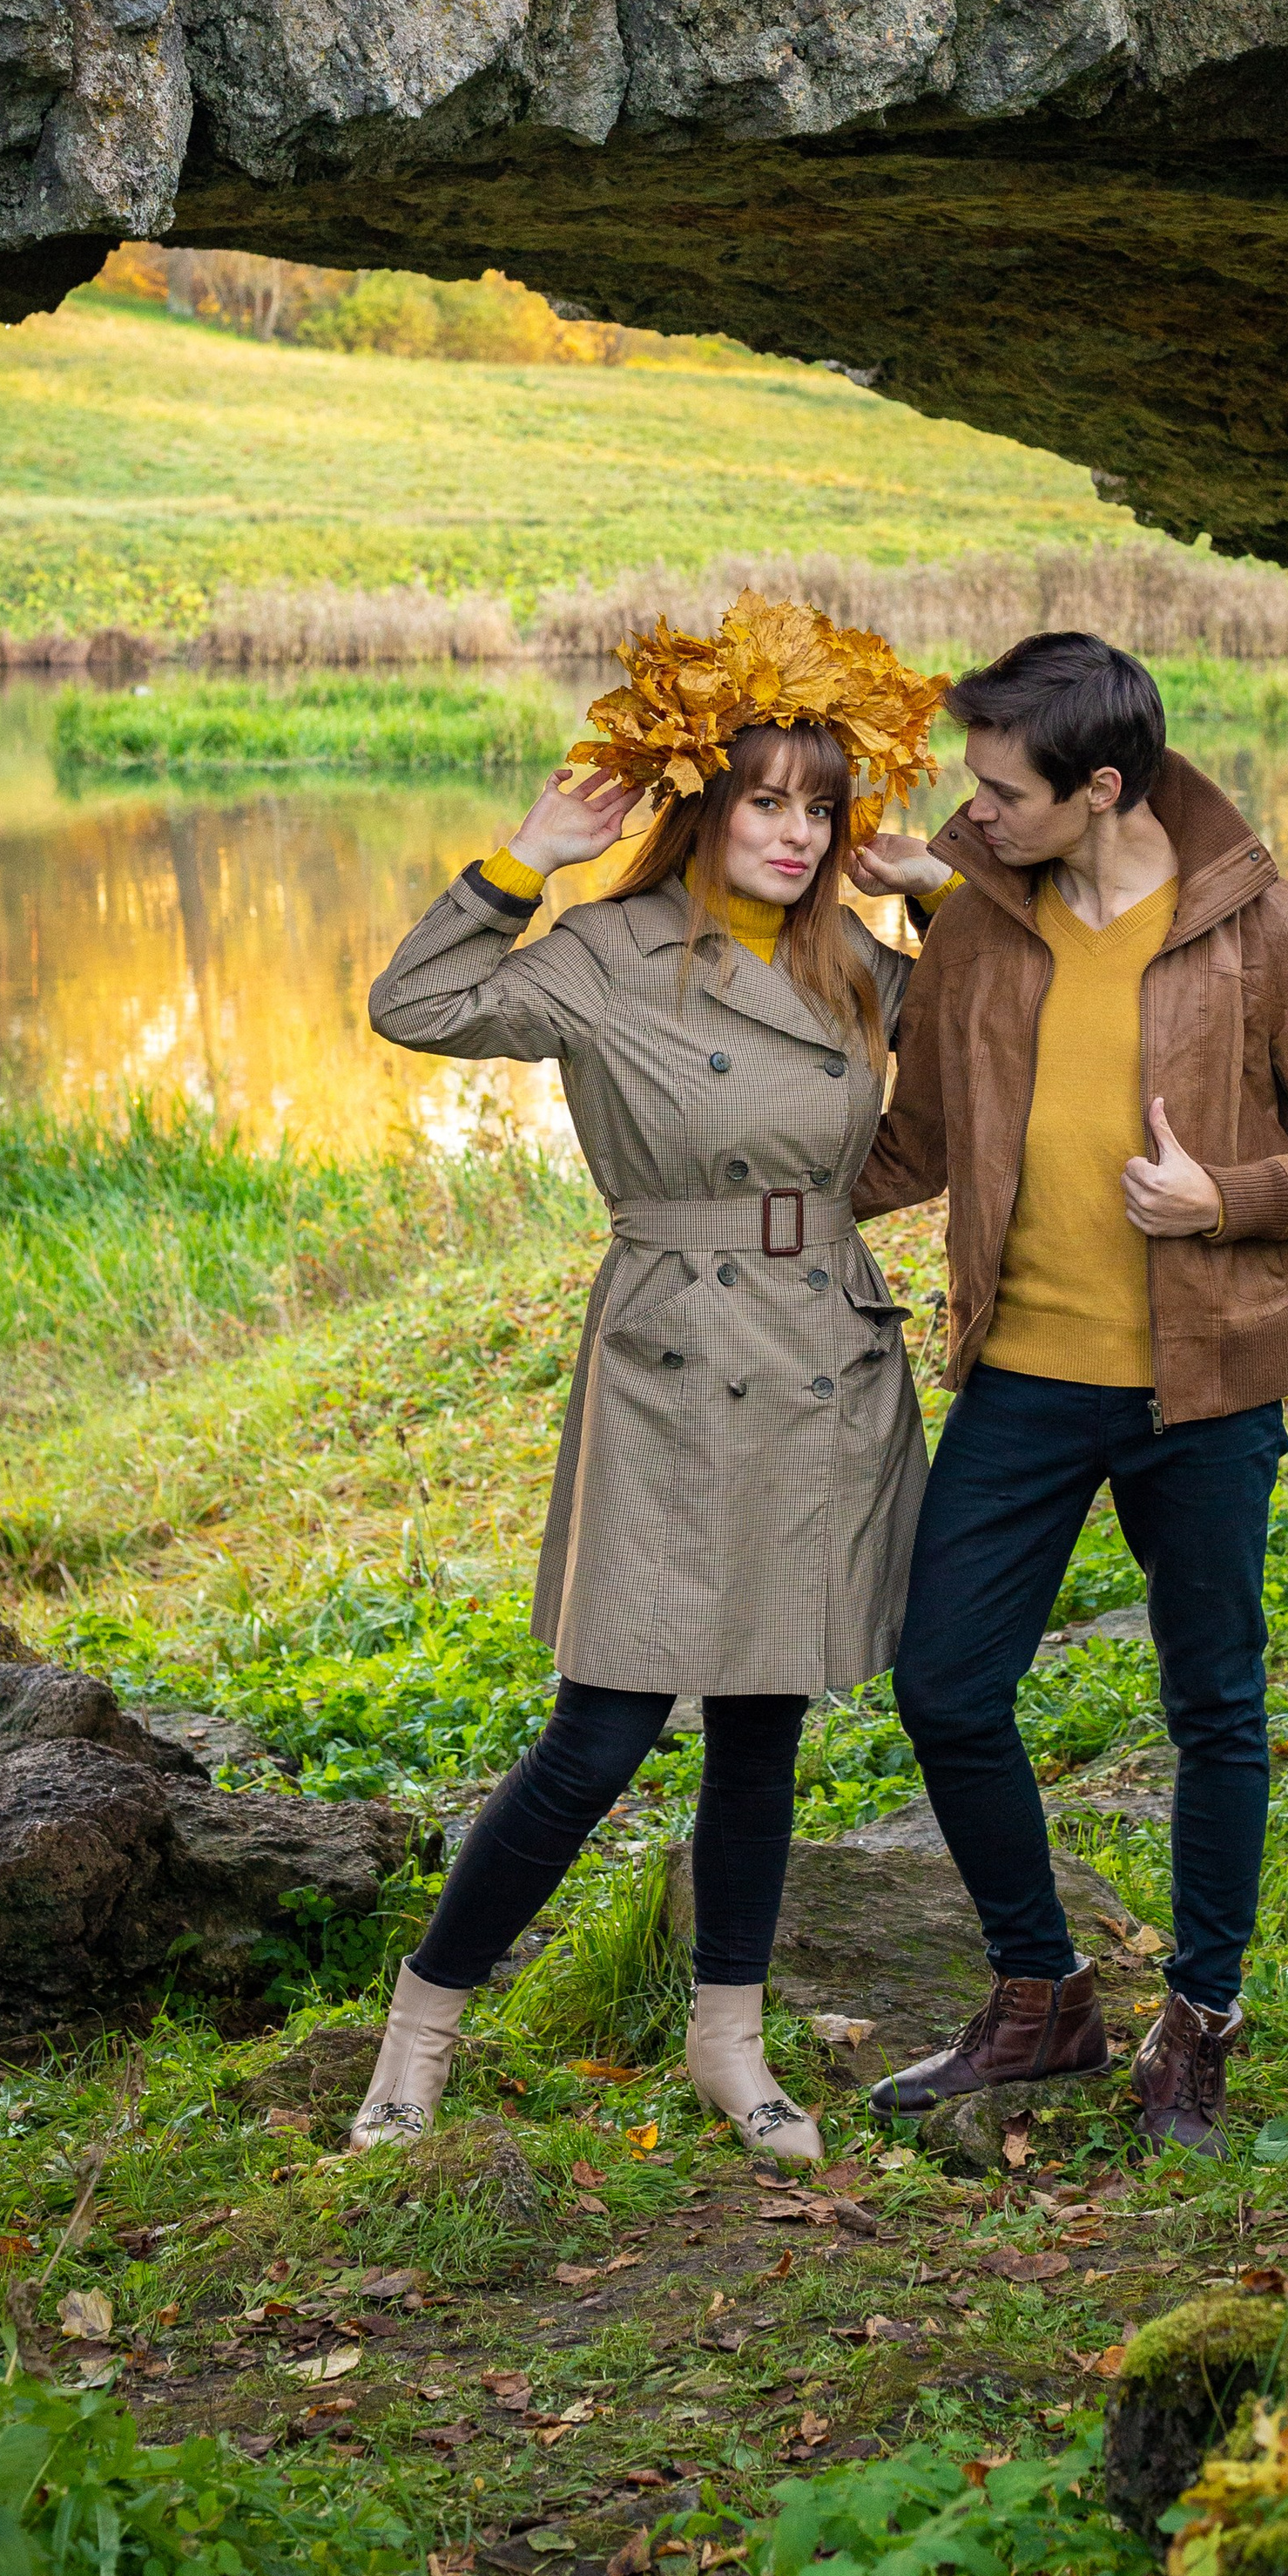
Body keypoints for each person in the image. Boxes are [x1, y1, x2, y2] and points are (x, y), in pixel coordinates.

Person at [351, 594, 942, 2161]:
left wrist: (940, 894)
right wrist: (524, 857)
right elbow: (411, 1007)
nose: (800, 835)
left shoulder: (853, 967)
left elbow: (998, 1048)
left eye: (824, 807)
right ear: (704, 804)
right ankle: (419, 2031)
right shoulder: (605, 956)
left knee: (764, 1728)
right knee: (601, 1732)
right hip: (674, 1354)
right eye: (768, 801)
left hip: (824, 1346)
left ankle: (730, 2046)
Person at [851, 630, 1288, 2155]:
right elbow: (913, 1147)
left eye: (1000, 793)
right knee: (946, 1685)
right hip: (1024, 1379)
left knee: (1212, 1704)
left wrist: (1223, 1199)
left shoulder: (1262, 932)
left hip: (1208, 1392)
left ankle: (1203, 2016)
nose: (971, 815)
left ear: (1102, 788)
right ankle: (1041, 1997)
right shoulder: (980, 928)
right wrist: (724, 1195)